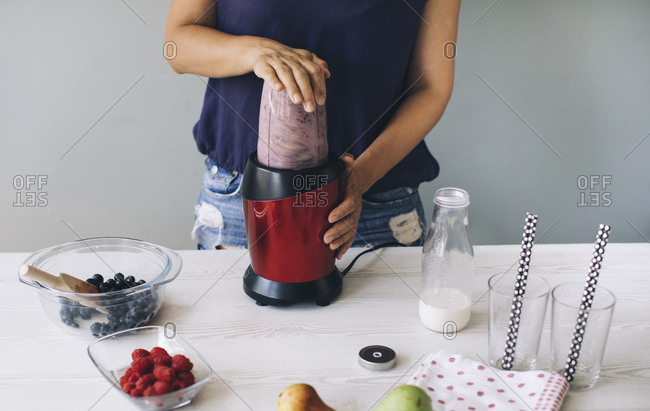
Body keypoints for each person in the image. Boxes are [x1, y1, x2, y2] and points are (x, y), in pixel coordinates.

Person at [165, 0, 460, 258]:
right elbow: (177, 44)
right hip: (243, 200)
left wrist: (361, 177)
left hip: (375, 205)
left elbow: (430, 86)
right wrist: (256, 52)